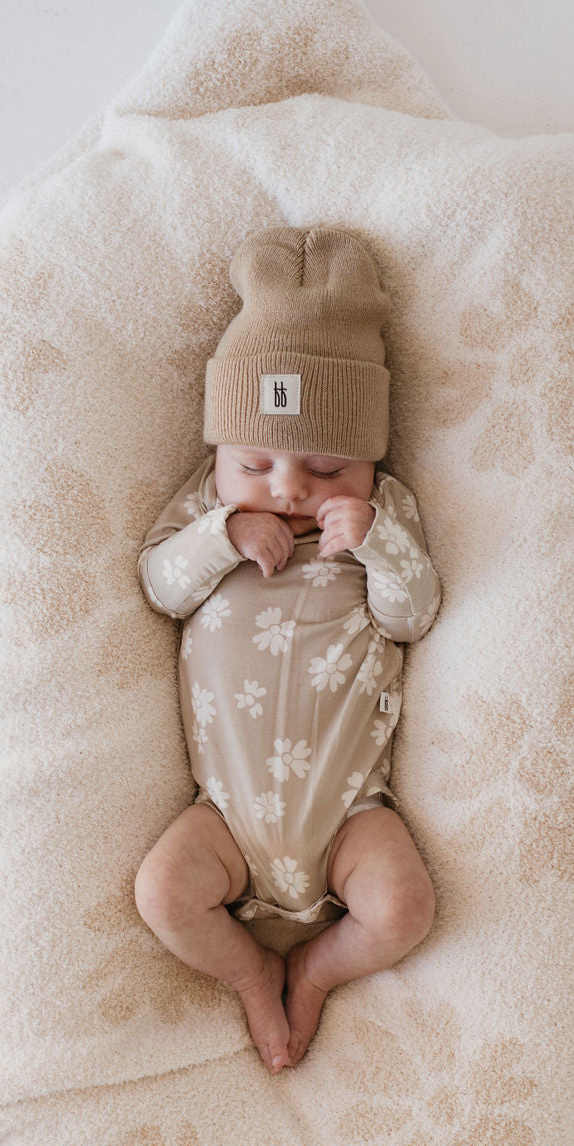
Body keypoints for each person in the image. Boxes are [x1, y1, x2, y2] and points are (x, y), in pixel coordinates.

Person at [133, 225, 441, 1074]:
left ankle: (316, 968)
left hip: (350, 811)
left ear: (370, 461)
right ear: (220, 455)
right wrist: (223, 534)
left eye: (327, 466)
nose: (290, 487)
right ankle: (250, 975)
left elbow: (413, 615)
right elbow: (161, 586)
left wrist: (377, 542)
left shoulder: (385, 515)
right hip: (224, 812)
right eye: (256, 461)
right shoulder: (206, 511)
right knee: (163, 892)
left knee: (405, 906)